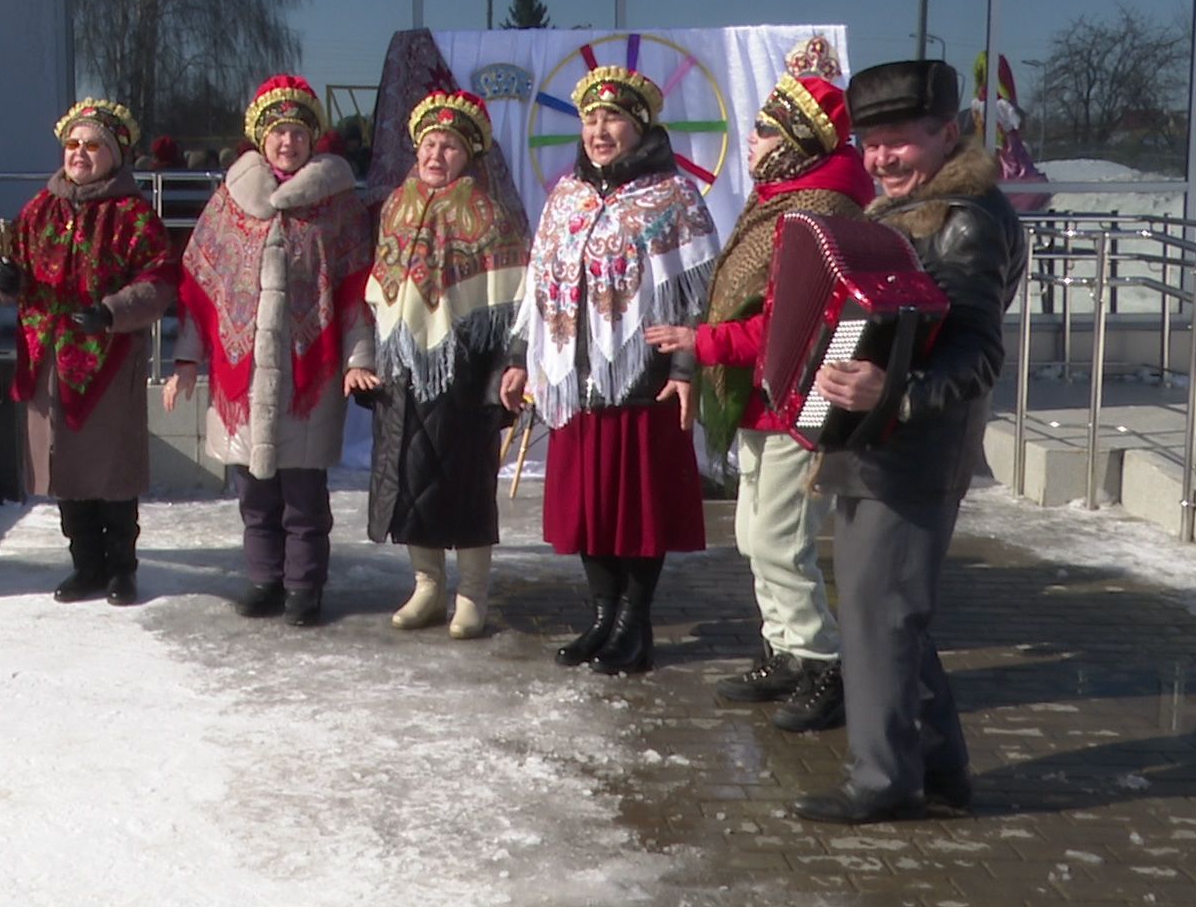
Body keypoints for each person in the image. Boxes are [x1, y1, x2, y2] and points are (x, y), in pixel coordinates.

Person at [790, 60, 1025, 825]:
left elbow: (978, 353)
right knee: (887, 611)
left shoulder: (964, 218)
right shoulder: (915, 210)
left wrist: (890, 394)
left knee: (879, 613)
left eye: (900, 144)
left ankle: (884, 781)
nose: (881, 158)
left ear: (947, 135)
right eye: (871, 144)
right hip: (879, 444)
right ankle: (940, 767)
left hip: (914, 448)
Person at [645, 70, 875, 727]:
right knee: (754, 533)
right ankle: (785, 648)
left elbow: (791, 320)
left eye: (765, 128)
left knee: (779, 537)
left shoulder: (818, 208)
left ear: (796, 139)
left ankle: (823, 660)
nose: (751, 138)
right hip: (759, 399)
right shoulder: (782, 198)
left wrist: (703, 341)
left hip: (797, 403)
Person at [499, 66, 719, 674]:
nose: (599, 130)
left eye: (613, 118)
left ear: (640, 126)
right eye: (591, 119)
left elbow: (697, 292)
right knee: (589, 504)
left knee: (636, 506)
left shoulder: (672, 196)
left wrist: (683, 366)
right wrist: (521, 359)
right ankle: (602, 616)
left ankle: (634, 622)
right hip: (573, 377)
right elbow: (536, 285)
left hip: (642, 376)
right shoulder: (565, 193)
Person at [164, 75, 376, 626]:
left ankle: (305, 588)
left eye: (297, 132)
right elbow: (201, 289)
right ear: (261, 138)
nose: (287, 142)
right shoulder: (229, 204)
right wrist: (185, 360)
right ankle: (263, 580)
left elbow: (356, 293)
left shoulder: (337, 207)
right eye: (277, 132)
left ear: (312, 139)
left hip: (310, 377)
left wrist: (359, 361)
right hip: (244, 377)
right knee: (255, 497)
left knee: (304, 498)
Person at [0, 98, 178, 606]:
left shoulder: (132, 213)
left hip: (108, 360)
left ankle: (122, 567)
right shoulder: (40, 208)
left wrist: (113, 311)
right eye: (73, 144)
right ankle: (85, 564)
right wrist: (3, 280)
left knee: (111, 469)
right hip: (48, 357)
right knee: (66, 470)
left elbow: (159, 278)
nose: (80, 153)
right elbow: (14, 267)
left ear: (115, 154)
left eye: (92, 145)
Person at [363, 90, 530, 639]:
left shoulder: (489, 212)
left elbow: (512, 301)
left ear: (469, 154)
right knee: (411, 478)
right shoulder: (395, 205)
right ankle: (427, 586)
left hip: (465, 368)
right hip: (403, 367)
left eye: (450, 146)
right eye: (429, 144)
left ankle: (472, 593)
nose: (436, 155)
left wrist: (510, 364)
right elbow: (377, 291)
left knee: (465, 481)